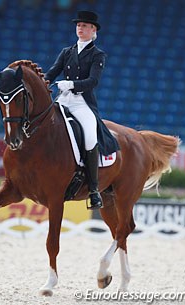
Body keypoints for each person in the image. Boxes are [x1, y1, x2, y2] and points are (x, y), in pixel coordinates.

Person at [45, 11, 114, 209]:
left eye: (85, 26)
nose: (80, 28)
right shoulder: (67, 51)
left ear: (93, 30)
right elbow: (52, 72)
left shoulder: (97, 54)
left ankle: (93, 190)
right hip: (63, 100)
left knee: (91, 137)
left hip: (82, 102)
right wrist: (41, 83)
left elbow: (93, 81)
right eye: (78, 25)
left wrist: (71, 85)